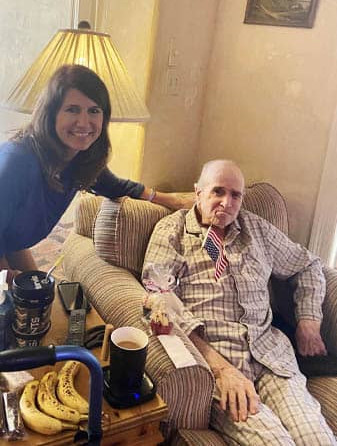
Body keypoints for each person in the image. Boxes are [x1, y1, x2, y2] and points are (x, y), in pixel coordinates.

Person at [142, 159, 336, 445]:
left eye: (235, 195)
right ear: (198, 193)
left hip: (273, 359)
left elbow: (308, 265)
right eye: (217, 192)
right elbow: (158, 299)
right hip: (221, 364)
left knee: (318, 440)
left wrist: (309, 320)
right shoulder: (172, 232)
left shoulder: (255, 228)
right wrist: (221, 370)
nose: (227, 202)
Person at [0, 64, 194, 279]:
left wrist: (176, 201)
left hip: (11, 242)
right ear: (51, 113)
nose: (84, 122)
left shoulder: (80, 158)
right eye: (72, 109)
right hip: (8, 244)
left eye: (94, 111)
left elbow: (117, 186)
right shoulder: (16, 163)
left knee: (43, 293)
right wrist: (9, 277)